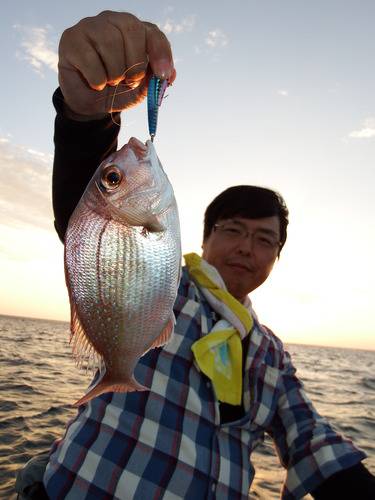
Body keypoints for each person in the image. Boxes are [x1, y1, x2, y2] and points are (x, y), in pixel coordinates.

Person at [37, 11, 375, 500]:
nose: (246, 247)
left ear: (277, 258)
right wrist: (87, 116)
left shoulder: (271, 354)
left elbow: (311, 438)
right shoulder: (167, 289)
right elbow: (85, 231)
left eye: (265, 240)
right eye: (233, 230)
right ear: (203, 236)